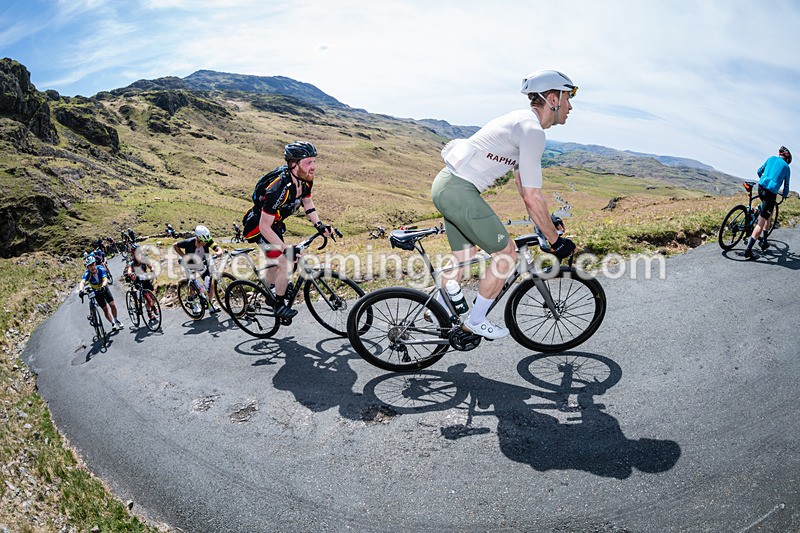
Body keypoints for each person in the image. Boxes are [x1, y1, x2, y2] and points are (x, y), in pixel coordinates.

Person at [430, 69, 578, 340]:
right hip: (459, 190)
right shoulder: (532, 131)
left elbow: (523, 184)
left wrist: (544, 223)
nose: (570, 106)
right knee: (506, 255)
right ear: (553, 99)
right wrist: (555, 241)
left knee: (464, 258)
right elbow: (531, 196)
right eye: (569, 98)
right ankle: (476, 321)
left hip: (446, 185)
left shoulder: (522, 122)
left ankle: (436, 309)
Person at [246, 141, 332, 320]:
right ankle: (277, 304)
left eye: (314, 162)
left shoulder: (305, 181)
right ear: (294, 164)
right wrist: (286, 249)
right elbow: (264, 227)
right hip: (259, 227)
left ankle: (269, 289)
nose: (313, 167)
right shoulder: (278, 188)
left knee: (277, 263)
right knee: (286, 260)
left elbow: (307, 203)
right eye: (308, 162)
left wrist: (319, 225)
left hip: (275, 226)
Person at [744, 146, 791, 259]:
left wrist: (764, 180)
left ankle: (764, 240)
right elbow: (786, 186)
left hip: (761, 187)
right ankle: (748, 250)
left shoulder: (770, 159)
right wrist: (784, 195)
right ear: (787, 158)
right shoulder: (786, 168)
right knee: (761, 222)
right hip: (771, 194)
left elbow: (759, 171)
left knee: (767, 214)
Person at [172, 225, 224, 314]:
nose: (205, 243)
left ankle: (209, 304)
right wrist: (184, 256)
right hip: (190, 265)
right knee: (193, 286)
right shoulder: (189, 242)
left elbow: (217, 249)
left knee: (210, 285)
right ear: (197, 238)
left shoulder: (208, 241)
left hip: (203, 264)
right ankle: (193, 303)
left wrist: (218, 253)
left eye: (206, 241)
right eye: (203, 241)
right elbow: (175, 245)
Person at [79, 255, 123, 330]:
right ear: (87, 267)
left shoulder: (100, 268)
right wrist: (81, 290)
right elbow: (82, 282)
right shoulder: (87, 274)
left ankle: (116, 320)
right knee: (105, 309)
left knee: (112, 305)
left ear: (95, 264)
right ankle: (112, 322)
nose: (92, 267)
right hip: (96, 292)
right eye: (90, 266)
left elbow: (105, 279)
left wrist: (103, 286)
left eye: (93, 264)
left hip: (104, 288)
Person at [126, 243, 159, 320]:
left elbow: (150, 265)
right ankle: (153, 307)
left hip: (145, 279)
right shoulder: (132, 263)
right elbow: (129, 269)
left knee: (153, 297)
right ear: (133, 254)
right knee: (146, 295)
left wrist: (152, 269)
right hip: (138, 281)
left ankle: (148, 311)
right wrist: (130, 274)